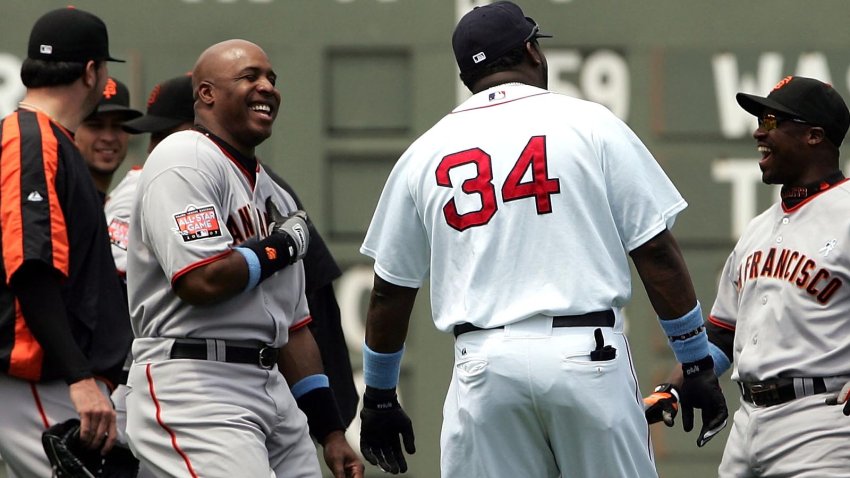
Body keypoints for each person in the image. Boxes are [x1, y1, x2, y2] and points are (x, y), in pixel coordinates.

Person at [357, 2, 728, 477]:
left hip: (483, 367)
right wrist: (695, 362)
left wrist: (381, 396)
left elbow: (390, 290)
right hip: (586, 354)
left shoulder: (423, 152)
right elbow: (654, 250)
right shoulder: (591, 123)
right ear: (531, 51)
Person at [124, 39, 363, 478]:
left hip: (268, 384)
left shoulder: (269, 191)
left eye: (271, 78)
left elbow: (294, 327)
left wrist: (330, 432)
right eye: (250, 76)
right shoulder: (184, 157)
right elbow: (202, 280)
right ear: (207, 93)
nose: (267, 86)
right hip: (197, 382)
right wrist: (283, 246)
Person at [645, 76, 850, 477]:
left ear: (814, 136)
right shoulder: (758, 229)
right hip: (747, 425)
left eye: (772, 121)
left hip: (823, 422)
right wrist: (676, 384)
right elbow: (724, 332)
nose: (759, 131)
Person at [0, 7, 133, 477]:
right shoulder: (29, 138)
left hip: (55, 373)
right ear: (93, 71)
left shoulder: (51, 138)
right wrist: (78, 376)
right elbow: (31, 266)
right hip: (37, 372)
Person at [75, 76, 142, 199]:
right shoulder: (60, 199)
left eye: (117, 126)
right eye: (95, 126)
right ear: (73, 130)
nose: (108, 137)